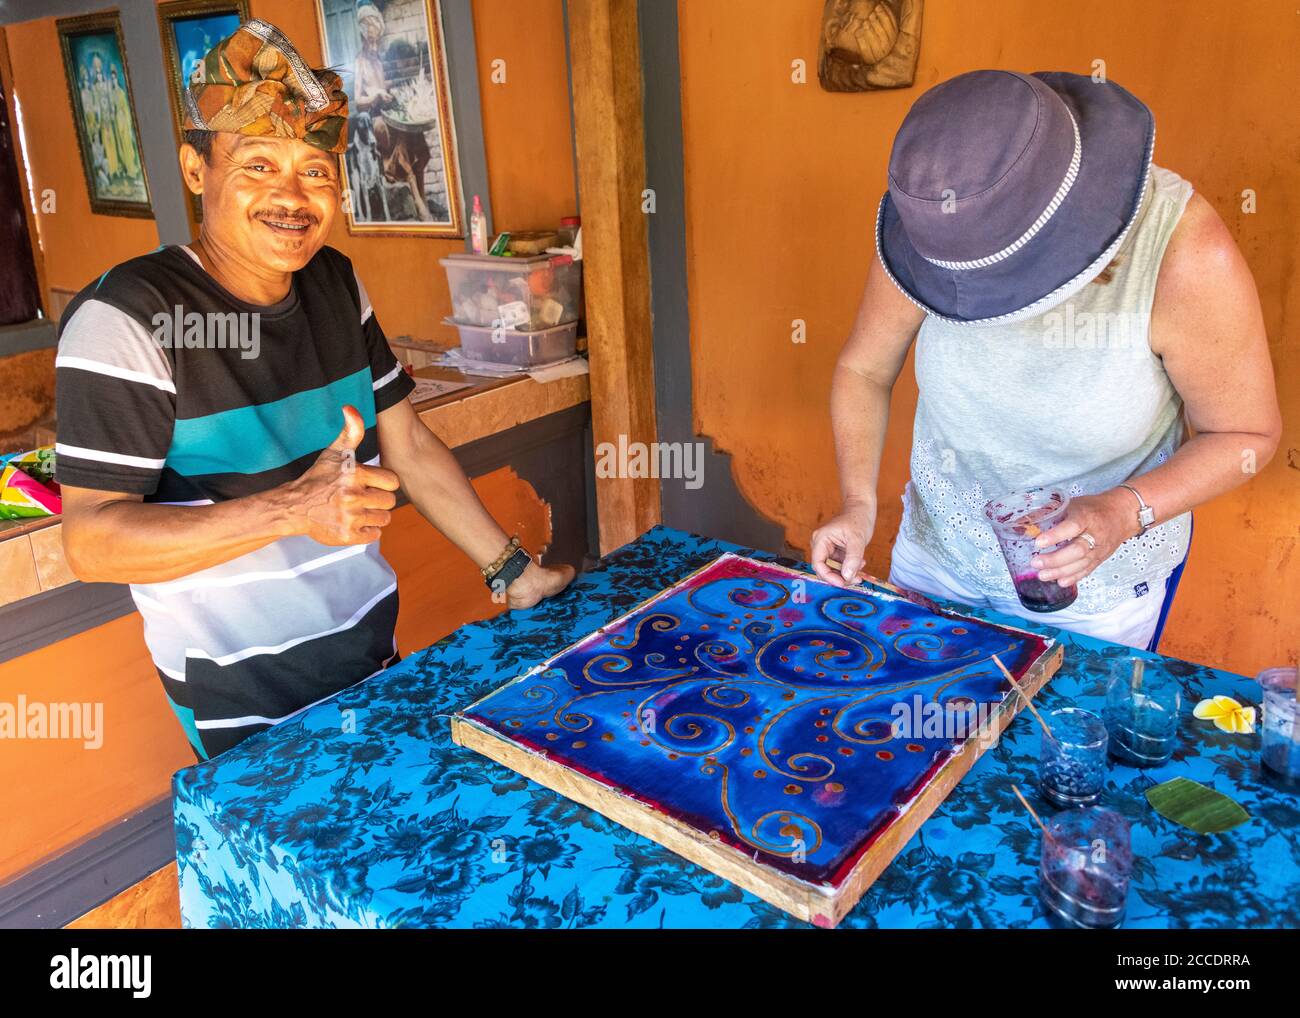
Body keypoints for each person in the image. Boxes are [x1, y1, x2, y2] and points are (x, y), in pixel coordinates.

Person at [55, 19, 573, 760]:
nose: (292, 196)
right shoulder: (125, 317)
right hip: (241, 708)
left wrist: (511, 571)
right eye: (258, 165)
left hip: (371, 661)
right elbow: (93, 542)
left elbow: (408, 441)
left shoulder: (332, 282)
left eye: (315, 170)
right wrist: (293, 507)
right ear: (195, 169)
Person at [811, 70, 1281, 650]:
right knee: (920, 723)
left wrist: (1120, 513)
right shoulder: (938, 224)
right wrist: (858, 503)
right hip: (939, 550)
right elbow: (864, 368)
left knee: (1056, 740)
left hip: (1093, 588)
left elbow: (1244, 436)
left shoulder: (1184, 255)